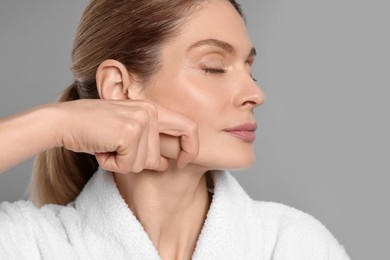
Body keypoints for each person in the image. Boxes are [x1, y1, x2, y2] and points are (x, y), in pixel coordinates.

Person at [0, 0, 350, 259]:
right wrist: (54, 123)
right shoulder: (32, 245)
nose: (255, 94)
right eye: (214, 67)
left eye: (249, 68)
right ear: (120, 88)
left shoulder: (294, 245)